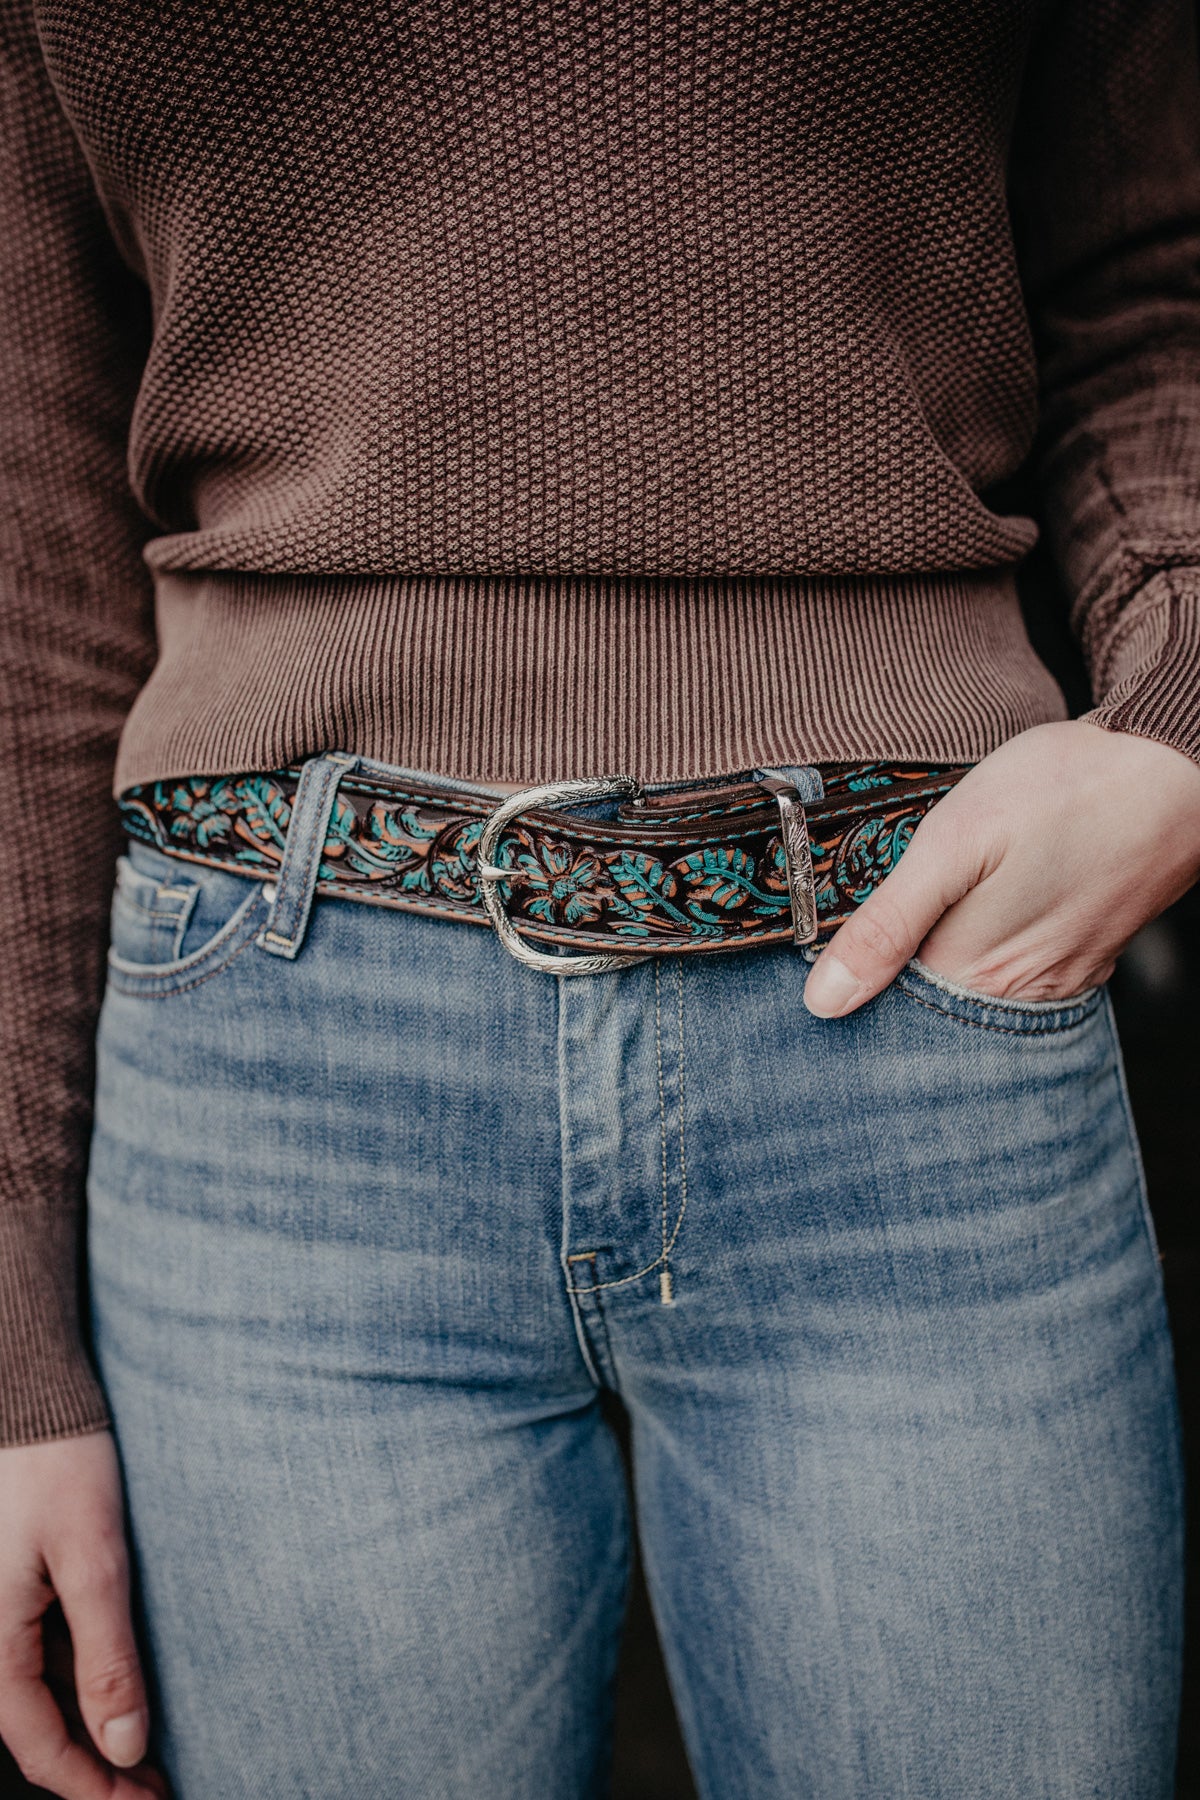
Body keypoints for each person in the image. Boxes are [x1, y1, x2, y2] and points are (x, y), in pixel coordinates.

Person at [0, 2, 1197, 1796]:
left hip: (914, 1014)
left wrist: (1182, 724)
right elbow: (28, 569)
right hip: (276, 1098)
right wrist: (15, 1347)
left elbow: (1151, 295)